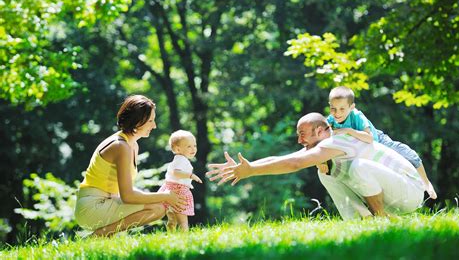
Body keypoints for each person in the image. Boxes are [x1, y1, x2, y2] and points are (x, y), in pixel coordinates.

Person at [207, 113, 425, 219]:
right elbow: (285, 158)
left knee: (357, 167)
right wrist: (248, 167)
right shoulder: (323, 148)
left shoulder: (336, 141)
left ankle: (380, 219)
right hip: (393, 194)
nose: (300, 141)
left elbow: (294, 164)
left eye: (303, 135)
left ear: (321, 131)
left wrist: (251, 170)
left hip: (410, 192)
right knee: (327, 174)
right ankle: (364, 222)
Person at [74, 95, 186, 237]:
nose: (154, 125)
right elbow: (128, 196)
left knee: (159, 207)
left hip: (107, 201)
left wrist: (165, 196)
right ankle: (99, 236)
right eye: (151, 120)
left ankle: (102, 236)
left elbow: (127, 192)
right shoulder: (121, 146)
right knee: (158, 208)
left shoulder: (132, 145)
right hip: (91, 206)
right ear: (138, 122)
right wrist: (165, 196)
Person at [319, 86, 437, 199]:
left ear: (351, 107)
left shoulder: (357, 116)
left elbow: (369, 138)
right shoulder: (330, 121)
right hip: (360, 150)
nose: (337, 113)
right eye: (333, 108)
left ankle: (426, 182)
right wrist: (322, 161)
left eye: (342, 109)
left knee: (406, 153)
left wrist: (348, 131)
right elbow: (321, 142)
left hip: (378, 140)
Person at [158, 130, 202, 231]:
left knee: (172, 219)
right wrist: (191, 176)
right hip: (178, 191)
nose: (193, 149)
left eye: (194, 145)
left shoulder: (180, 159)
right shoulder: (181, 160)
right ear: (178, 149)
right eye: (189, 146)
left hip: (171, 189)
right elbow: (176, 173)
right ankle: (184, 237)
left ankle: (171, 235)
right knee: (183, 220)